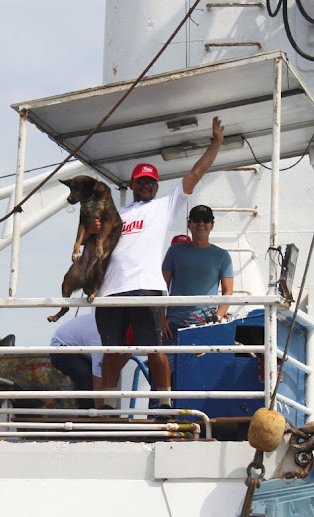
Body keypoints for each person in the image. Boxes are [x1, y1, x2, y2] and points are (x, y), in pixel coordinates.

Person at [94, 116, 225, 410]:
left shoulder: (165, 206)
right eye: (141, 181)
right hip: (111, 292)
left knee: (154, 349)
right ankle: (110, 409)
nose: (145, 186)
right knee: (111, 351)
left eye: (150, 182)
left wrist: (215, 143)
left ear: (156, 185)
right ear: (132, 183)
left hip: (146, 289)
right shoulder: (118, 213)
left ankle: (164, 403)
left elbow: (196, 173)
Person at [161, 204, 234, 352]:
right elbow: (161, 286)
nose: (201, 223)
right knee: (165, 373)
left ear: (212, 225)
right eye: (196, 219)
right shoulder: (175, 251)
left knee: (202, 373)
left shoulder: (222, 256)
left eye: (206, 220)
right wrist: (161, 318)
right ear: (189, 224)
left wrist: (217, 318)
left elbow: (228, 292)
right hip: (173, 326)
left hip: (205, 326)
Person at [49, 313, 104, 410]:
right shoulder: (99, 339)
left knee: (94, 374)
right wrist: (100, 412)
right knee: (85, 376)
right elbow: (97, 379)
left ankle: (95, 413)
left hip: (82, 347)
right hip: (61, 347)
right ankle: (88, 416)